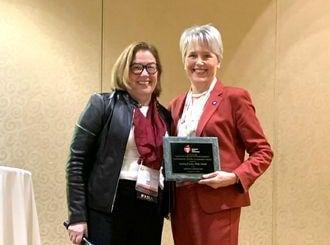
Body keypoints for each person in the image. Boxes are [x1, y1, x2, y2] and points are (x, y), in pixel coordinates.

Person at [168, 24, 273, 245]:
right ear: (184, 60)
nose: (199, 62)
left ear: (218, 60)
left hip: (219, 203)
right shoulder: (175, 105)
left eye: (207, 55)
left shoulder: (235, 98)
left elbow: (263, 151)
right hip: (182, 204)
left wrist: (234, 177)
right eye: (192, 55)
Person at [65, 41, 172, 245]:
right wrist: (77, 216)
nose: (145, 74)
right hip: (109, 207)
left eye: (151, 67)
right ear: (125, 70)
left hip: (150, 207)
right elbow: (77, 161)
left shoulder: (165, 116)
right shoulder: (102, 105)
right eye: (137, 67)